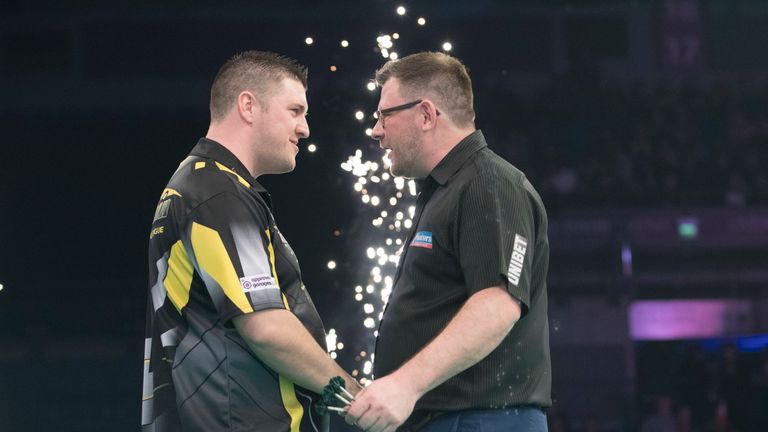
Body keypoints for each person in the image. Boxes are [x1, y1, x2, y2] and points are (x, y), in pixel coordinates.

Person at [141, 50, 359, 432]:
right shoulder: (217, 192)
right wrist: (354, 397)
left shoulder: (200, 184)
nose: (305, 128)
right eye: (295, 110)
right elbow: (266, 328)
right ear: (248, 106)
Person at [345, 52, 551, 431]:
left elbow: (498, 303)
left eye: (384, 114)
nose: (376, 130)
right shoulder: (448, 189)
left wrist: (404, 385)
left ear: (426, 114)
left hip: (478, 419)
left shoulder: (488, 183)